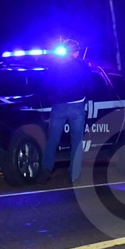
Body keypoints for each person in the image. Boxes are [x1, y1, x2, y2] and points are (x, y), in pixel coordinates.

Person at [37, 40, 90, 184]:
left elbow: (45, 84)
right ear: (77, 52)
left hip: (58, 105)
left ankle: (46, 169)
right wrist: (83, 94)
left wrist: (51, 97)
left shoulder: (54, 65)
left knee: (53, 139)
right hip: (77, 105)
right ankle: (74, 174)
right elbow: (90, 83)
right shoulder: (82, 65)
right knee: (77, 140)